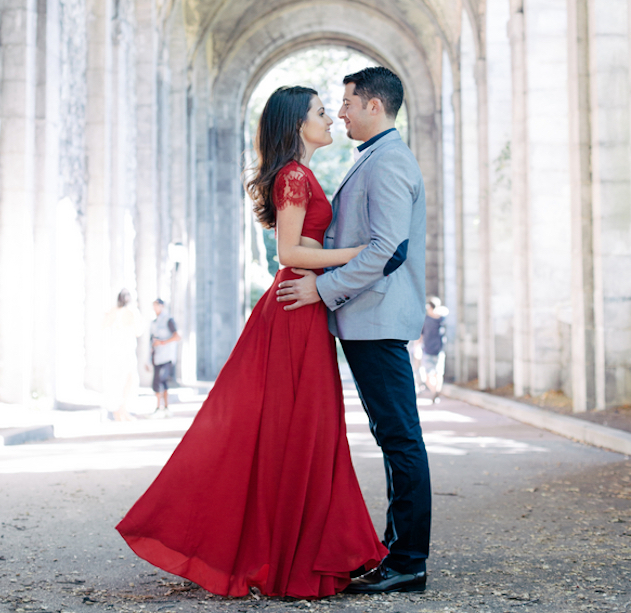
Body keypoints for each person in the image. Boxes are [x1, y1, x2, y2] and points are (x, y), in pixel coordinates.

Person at [116, 86, 386, 598]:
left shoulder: (301, 176)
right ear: (296, 123)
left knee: (307, 429)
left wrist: (331, 253)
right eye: (320, 112)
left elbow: (303, 243)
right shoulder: (292, 176)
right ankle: (288, 559)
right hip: (293, 306)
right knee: (299, 430)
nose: (330, 118)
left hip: (301, 305)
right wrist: (359, 253)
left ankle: (299, 554)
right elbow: (289, 250)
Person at [277, 66, 431, 594]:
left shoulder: (387, 162)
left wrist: (322, 289)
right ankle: (397, 551)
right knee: (392, 436)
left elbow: (387, 251)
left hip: (378, 318)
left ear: (373, 106)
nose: (340, 113)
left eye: (346, 103)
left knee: (400, 438)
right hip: (366, 318)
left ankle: (408, 560)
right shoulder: (375, 158)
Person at [102, 290, 145, 422]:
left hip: (114, 349)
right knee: (129, 380)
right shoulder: (132, 312)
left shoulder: (113, 311)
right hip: (127, 350)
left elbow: (104, 325)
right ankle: (122, 410)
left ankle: (118, 411)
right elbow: (138, 332)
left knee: (117, 380)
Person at [150, 298, 181, 418]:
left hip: (166, 356)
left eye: (156, 306)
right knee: (158, 382)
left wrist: (163, 342)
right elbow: (152, 341)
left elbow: (177, 336)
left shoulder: (168, 320)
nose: (154, 308)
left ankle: (163, 408)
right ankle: (162, 408)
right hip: (157, 357)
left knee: (162, 381)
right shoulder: (154, 322)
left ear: (161, 306)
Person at [419, 296, 449, 403]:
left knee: (431, 374)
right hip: (436, 350)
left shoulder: (433, 319)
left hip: (432, 350)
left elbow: (421, 335)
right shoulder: (442, 319)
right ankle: (435, 391)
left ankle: (434, 391)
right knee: (435, 374)